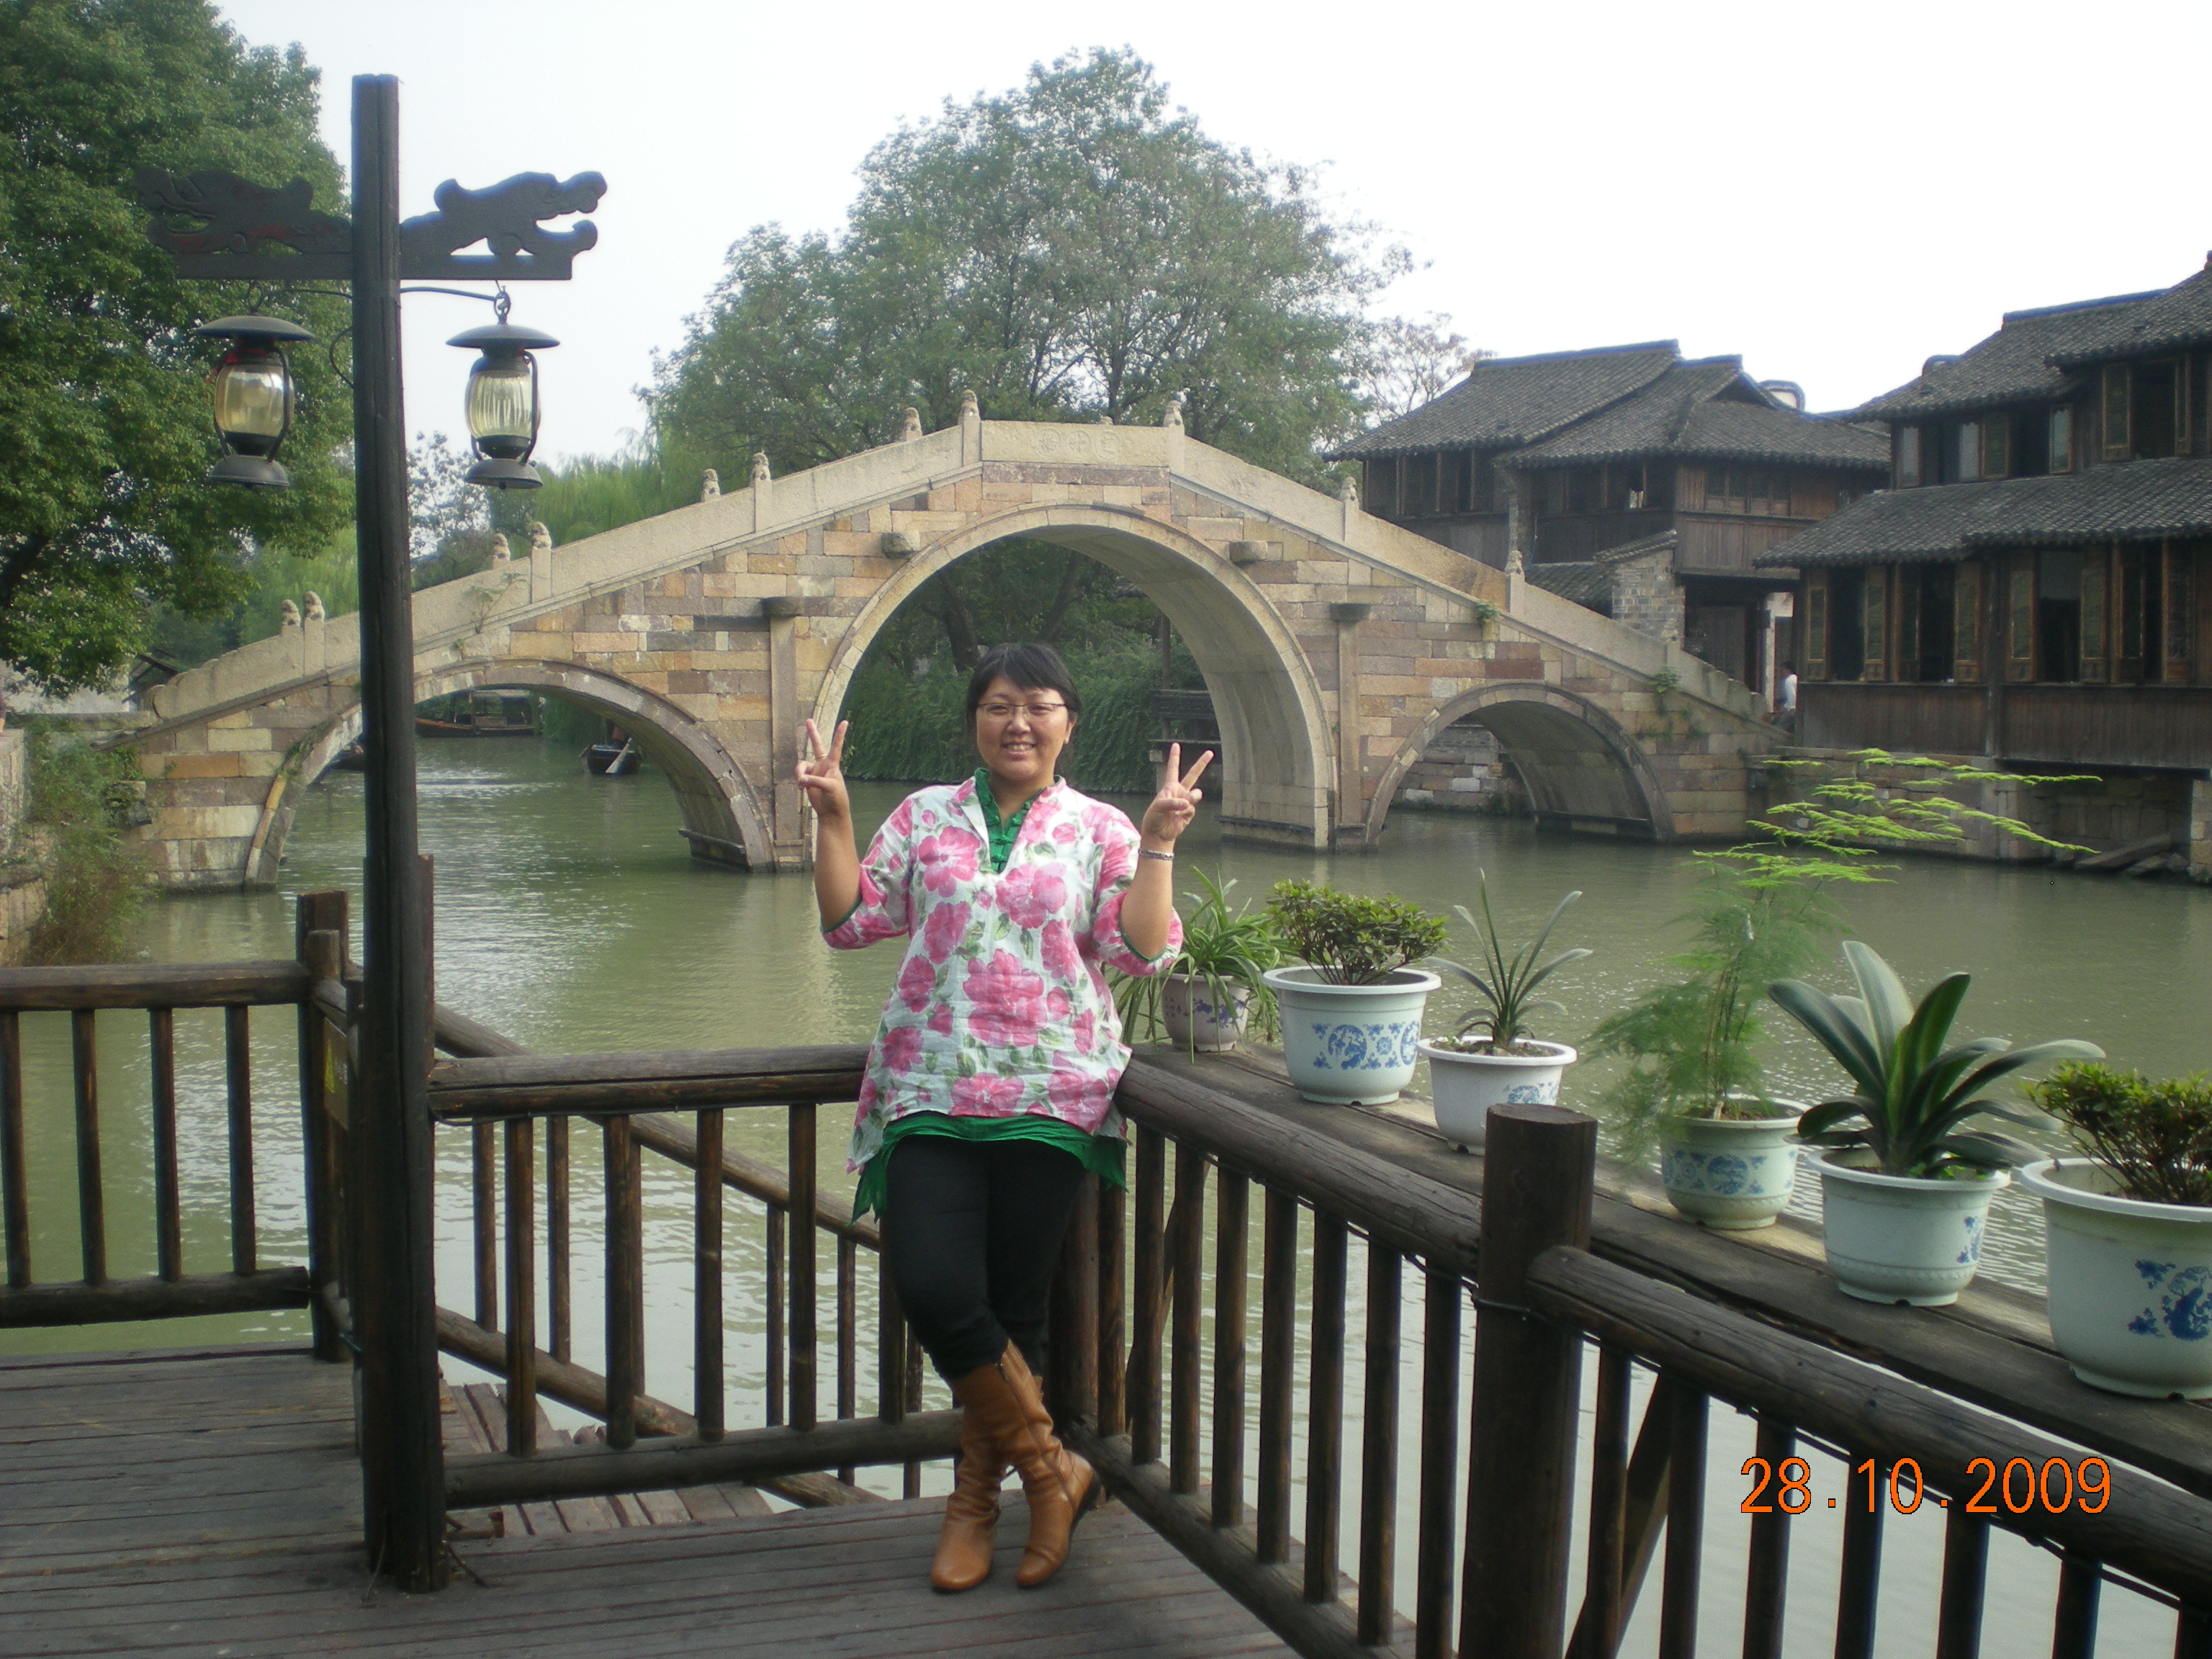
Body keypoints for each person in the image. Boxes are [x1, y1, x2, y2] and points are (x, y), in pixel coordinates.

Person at [796, 642, 1209, 1593]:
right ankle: (1051, 1470)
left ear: (1069, 722)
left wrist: (1159, 840)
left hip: (1050, 1092)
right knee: (936, 1287)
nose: (1017, 721)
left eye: (1038, 704)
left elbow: (1141, 950)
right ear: (975, 720)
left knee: (1016, 1311)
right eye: (997, 704)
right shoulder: (924, 817)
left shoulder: (1100, 827)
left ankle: (976, 1502)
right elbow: (849, 921)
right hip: (928, 1085)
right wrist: (835, 817)